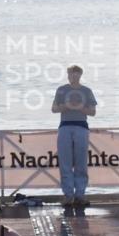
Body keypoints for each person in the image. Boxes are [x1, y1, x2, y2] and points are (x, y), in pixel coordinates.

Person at [52, 65, 97, 207]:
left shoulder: (87, 91)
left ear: (80, 75)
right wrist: (66, 107)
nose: (73, 77)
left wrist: (79, 108)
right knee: (65, 163)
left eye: (76, 74)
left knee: (81, 162)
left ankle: (80, 195)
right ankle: (68, 195)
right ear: (68, 75)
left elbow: (93, 112)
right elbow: (53, 109)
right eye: (71, 74)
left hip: (81, 127)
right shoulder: (61, 90)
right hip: (65, 126)